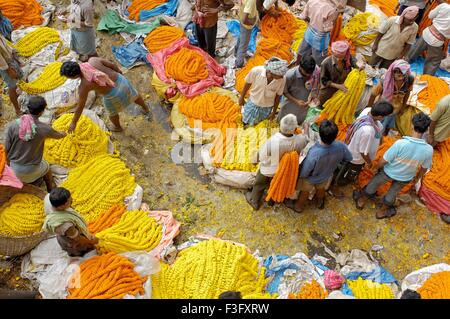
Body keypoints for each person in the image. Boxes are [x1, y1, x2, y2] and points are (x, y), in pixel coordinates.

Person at [353, 112, 433, 219]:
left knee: (374, 184)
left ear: (412, 126)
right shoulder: (429, 150)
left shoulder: (401, 143)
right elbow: (424, 168)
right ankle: (381, 212)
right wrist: (417, 178)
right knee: (393, 193)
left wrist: (376, 168)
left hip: (388, 172)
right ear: (427, 130)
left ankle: (361, 201)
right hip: (406, 177)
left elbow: (384, 160)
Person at [60, 58, 151, 133]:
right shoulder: (93, 60)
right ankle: (145, 108)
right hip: (121, 80)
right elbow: (112, 65)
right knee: (134, 95)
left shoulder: (84, 86)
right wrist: (119, 72)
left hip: (113, 95)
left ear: (74, 77)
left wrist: (73, 123)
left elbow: (80, 106)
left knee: (112, 112)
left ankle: (117, 127)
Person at [245, 114, 308, 210]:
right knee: (274, 184)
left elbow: (261, 155)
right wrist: (306, 127)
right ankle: (271, 200)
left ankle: (254, 200)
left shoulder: (273, 141)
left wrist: (254, 161)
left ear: (280, 127)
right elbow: (306, 138)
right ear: (295, 129)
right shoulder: (299, 140)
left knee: (259, 184)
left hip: (268, 170)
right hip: (282, 172)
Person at [289, 120, 353, 213]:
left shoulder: (314, 153)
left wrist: (301, 176)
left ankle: (298, 207)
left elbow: (306, 170)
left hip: (310, 178)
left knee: (305, 191)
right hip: (326, 175)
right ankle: (320, 202)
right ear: (336, 135)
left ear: (320, 134)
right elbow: (349, 158)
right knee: (320, 188)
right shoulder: (341, 146)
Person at [4, 96, 66, 191]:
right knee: (47, 168)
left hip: (14, 170)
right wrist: (64, 132)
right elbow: (59, 135)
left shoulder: (13, 125)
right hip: (31, 171)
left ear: (28, 108)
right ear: (42, 112)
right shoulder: (45, 129)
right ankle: (50, 188)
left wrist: (8, 166)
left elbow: (6, 149)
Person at [336, 101, 394, 186]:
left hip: (351, 149)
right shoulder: (368, 131)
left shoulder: (367, 111)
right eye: (385, 117)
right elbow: (363, 152)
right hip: (356, 159)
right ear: (380, 116)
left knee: (346, 168)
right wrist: (369, 162)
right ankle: (341, 182)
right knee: (350, 172)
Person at [43, 187, 98, 257]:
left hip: (63, 234)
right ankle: (77, 253)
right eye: (69, 202)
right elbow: (78, 238)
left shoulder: (48, 198)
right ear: (61, 207)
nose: (72, 200)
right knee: (77, 247)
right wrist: (92, 241)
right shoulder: (66, 225)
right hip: (70, 240)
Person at [367, 59, 414, 136]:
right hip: (383, 108)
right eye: (397, 72)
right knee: (379, 127)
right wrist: (369, 108)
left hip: (396, 108)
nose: (400, 75)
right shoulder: (384, 81)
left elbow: (407, 93)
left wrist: (403, 106)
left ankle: (385, 134)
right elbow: (373, 94)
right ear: (393, 72)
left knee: (388, 124)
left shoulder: (409, 79)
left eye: (402, 73)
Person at [240, 57, 288, 126]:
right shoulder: (256, 71)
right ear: (271, 72)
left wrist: (273, 112)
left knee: (259, 125)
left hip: (267, 107)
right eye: (280, 75)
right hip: (253, 103)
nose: (282, 77)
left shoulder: (282, 79)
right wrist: (241, 97)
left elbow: (278, 96)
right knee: (245, 122)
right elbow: (247, 83)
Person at [297, 0, 346, 66]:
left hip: (309, 33)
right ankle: (317, 73)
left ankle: (298, 65)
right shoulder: (332, 10)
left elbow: (303, 16)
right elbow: (327, 28)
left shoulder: (311, 1)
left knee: (302, 51)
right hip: (320, 39)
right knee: (319, 60)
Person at [406, 2, 450, 76]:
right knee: (433, 63)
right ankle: (427, 77)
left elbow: (430, 15)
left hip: (427, 33)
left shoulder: (444, 6)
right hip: (437, 41)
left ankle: (403, 64)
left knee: (413, 52)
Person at [318, 41, 362, 107]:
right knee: (323, 107)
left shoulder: (348, 58)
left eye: (341, 57)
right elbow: (324, 81)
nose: (338, 59)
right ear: (332, 53)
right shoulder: (326, 63)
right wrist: (338, 86)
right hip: (328, 91)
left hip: (343, 89)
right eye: (336, 56)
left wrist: (360, 65)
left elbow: (356, 64)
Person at [277, 55, 316, 125]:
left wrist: (312, 96)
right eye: (306, 73)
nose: (308, 75)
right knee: (284, 124)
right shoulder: (290, 75)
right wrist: (296, 101)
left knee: (297, 125)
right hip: (290, 106)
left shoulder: (315, 71)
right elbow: (285, 92)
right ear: (300, 67)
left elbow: (316, 86)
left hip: (304, 107)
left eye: (310, 74)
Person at [0, 34, 24, 116]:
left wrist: (15, 55)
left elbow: (6, 46)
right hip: (5, 66)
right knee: (12, 86)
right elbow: (1, 60)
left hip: (10, 60)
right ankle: (17, 109)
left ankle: (18, 95)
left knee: (17, 80)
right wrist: (8, 70)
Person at [235, 0, 259, 69]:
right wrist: (252, 22)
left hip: (242, 17)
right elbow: (244, 20)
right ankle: (239, 63)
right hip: (247, 24)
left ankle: (236, 52)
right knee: (244, 44)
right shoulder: (251, 1)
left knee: (241, 37)